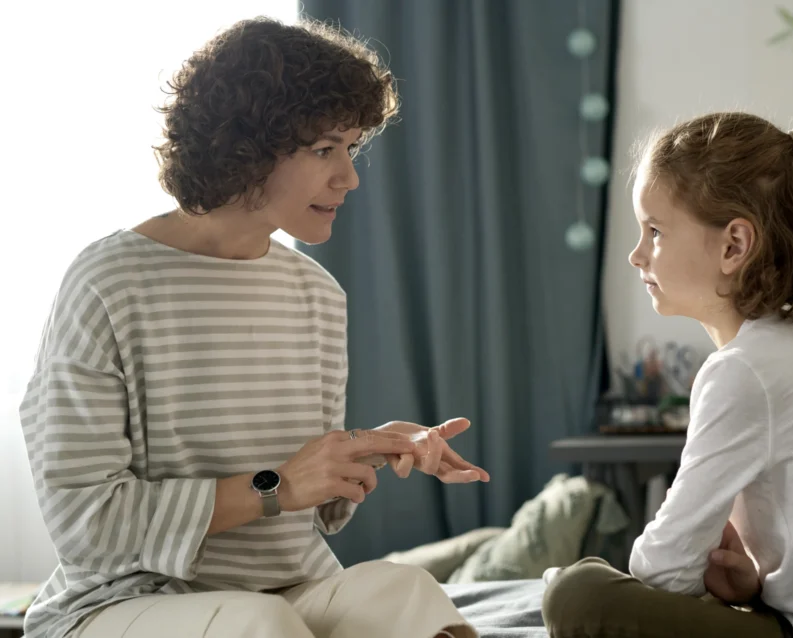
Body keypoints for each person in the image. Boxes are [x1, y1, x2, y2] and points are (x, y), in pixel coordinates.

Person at [19, 17, 489, 638]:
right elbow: (85, 522)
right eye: (324, 149)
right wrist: (277, 486)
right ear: (242, 147)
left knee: (406, 591)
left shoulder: (317, 294)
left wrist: (361, 451)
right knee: (259, 622)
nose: (349, 177)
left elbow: (309, 511)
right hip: (121, 602)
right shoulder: (108, 284)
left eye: (351, 149)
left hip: (285, 588)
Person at [542, 101, 793, 637]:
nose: (637, 255)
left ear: (734, 245)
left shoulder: (744, 373)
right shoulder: (784, 357)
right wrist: (753, 583)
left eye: (654, 231)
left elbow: (662, 567)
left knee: (575, 593)